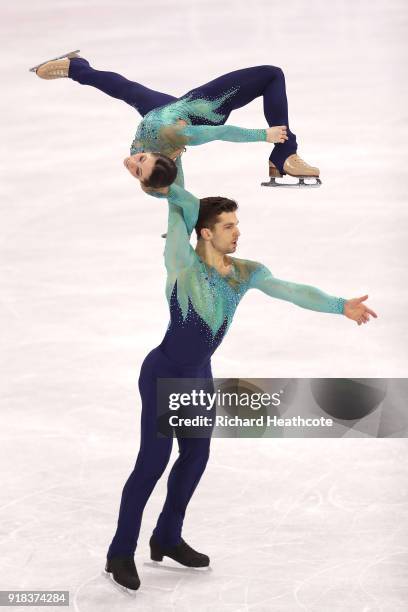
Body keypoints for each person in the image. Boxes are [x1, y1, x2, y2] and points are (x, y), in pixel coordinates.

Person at [103, 181, 377, 593]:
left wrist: (340, 306)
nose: (237, 231)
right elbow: (178, 210)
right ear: (207, 232)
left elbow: (290, 290)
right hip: (164, 373)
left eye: (237, 223)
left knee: (196, 456)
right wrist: (171, 170)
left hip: (198, 374)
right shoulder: (182, 263)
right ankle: (119, 553)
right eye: (228, 225)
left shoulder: (246, 272)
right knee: (153, 463)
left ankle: (167, 537)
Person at [31, 51, 319, 189]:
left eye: (136, 167)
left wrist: (179, 225)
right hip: (203, 110)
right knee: (272, 74)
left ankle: (77, 67)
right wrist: (263, 135)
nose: (131, 163)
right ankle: (284, 153)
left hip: (163, 111)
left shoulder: (153, 184)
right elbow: (222, 133)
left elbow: (177, 197)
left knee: (126, 90)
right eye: (140, 164)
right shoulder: (181, 137)